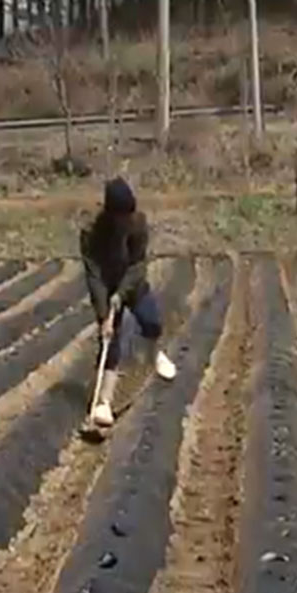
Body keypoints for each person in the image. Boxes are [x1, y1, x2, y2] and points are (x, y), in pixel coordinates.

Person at [80, 177, 176, 428]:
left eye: (128, 215)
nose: (125, 221)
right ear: (111, 215)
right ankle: (104, 403)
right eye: (121, 216)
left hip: (131, 283)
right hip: (105, 285)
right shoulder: (91, 232)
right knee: (110, 340)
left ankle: (154, 356)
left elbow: (138, 265)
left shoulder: (138, 224)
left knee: (152, 321)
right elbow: (94, 274)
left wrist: (120, 294)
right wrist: (104, 314)